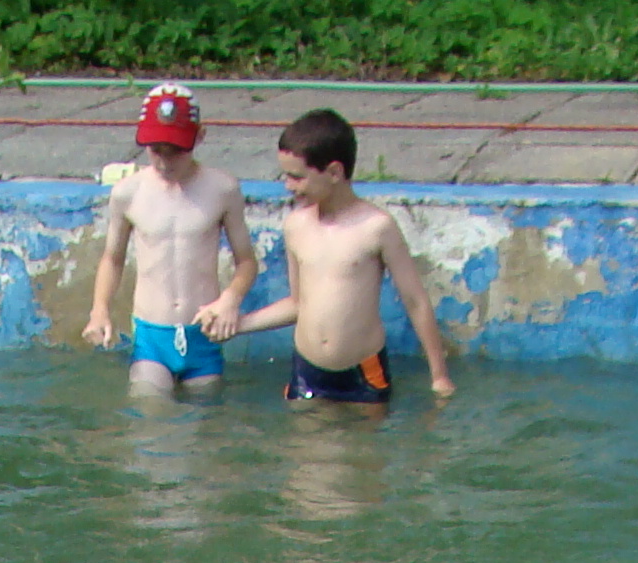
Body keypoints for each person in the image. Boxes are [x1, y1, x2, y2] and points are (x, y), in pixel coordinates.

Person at [234, 109, 455, 404]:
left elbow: (415, 301)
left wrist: (439, 376)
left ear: (335, 172)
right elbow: (298, 304)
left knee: (364, 435)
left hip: (363, 372)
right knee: (305, 433)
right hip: (307, 371)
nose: (288, 186)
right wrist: (239, 324)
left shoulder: (376, 227)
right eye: (285, 176)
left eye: (297, 177)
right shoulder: (296, 226)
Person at [81, 84, 259, 397]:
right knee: (148, 410)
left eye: (176, 150)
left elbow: (246, 261)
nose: (165, 161)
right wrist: (100, 310)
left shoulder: (222, 190)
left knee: (206, 416)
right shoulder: (128, 193)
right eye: (156, 151)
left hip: (203, 332)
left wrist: (230, 300)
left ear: (200, 136)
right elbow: (112, 258)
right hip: (152, 335)